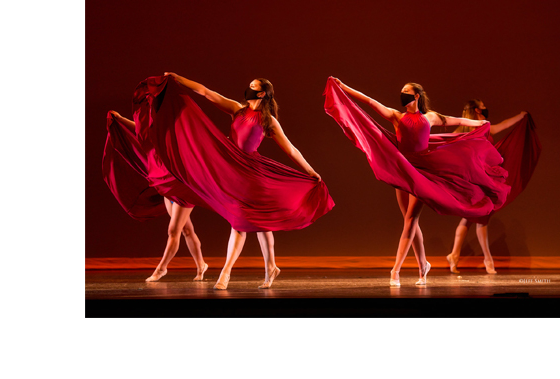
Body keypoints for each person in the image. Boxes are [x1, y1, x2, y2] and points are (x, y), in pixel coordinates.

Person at [151, 73, 332, 289]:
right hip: (232, 171)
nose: (248, 88)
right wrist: (178, 79)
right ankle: (271, 267)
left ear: (262, 93)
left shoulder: (269, 122)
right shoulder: (237, 109)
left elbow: (291, 150)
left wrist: (311, 171)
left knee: (240, 222)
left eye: (252, 86)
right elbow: (207, 93)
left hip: (252, 175)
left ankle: (225, 273)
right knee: (259, 222)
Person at [324, 78, 507, 286]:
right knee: (409, 221)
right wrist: (343, 87)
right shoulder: (397, 116)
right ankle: (423, 266)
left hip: (422, 172)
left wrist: (479, 123)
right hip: (403, 170)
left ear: (417, 96)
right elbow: (370, 102)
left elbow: (457, 120)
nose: (402, 94)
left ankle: (396, 270)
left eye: (406, 91)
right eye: (402, 91)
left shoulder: (430, 118)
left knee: (411, 219)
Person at [102, 102, 208, 282]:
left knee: (173, 231)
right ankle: (201, 265)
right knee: (186, 231)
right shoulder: (153, 131)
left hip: (183, 188)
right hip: (166, 187)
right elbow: (139, 129)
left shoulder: (177, 133)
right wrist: (119, 119)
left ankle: (161, 268)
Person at [443, 99, 539, 273]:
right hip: (475, 179)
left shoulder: (484, 127)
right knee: (481, 217)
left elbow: (502, 125)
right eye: (483, 105)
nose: (486, 107)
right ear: (477, 110)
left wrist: (519, 116)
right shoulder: (466, 131)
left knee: (470, 218)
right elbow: (447, 144)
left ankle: (455, 255)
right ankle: (488, 260)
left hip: (486, 178)